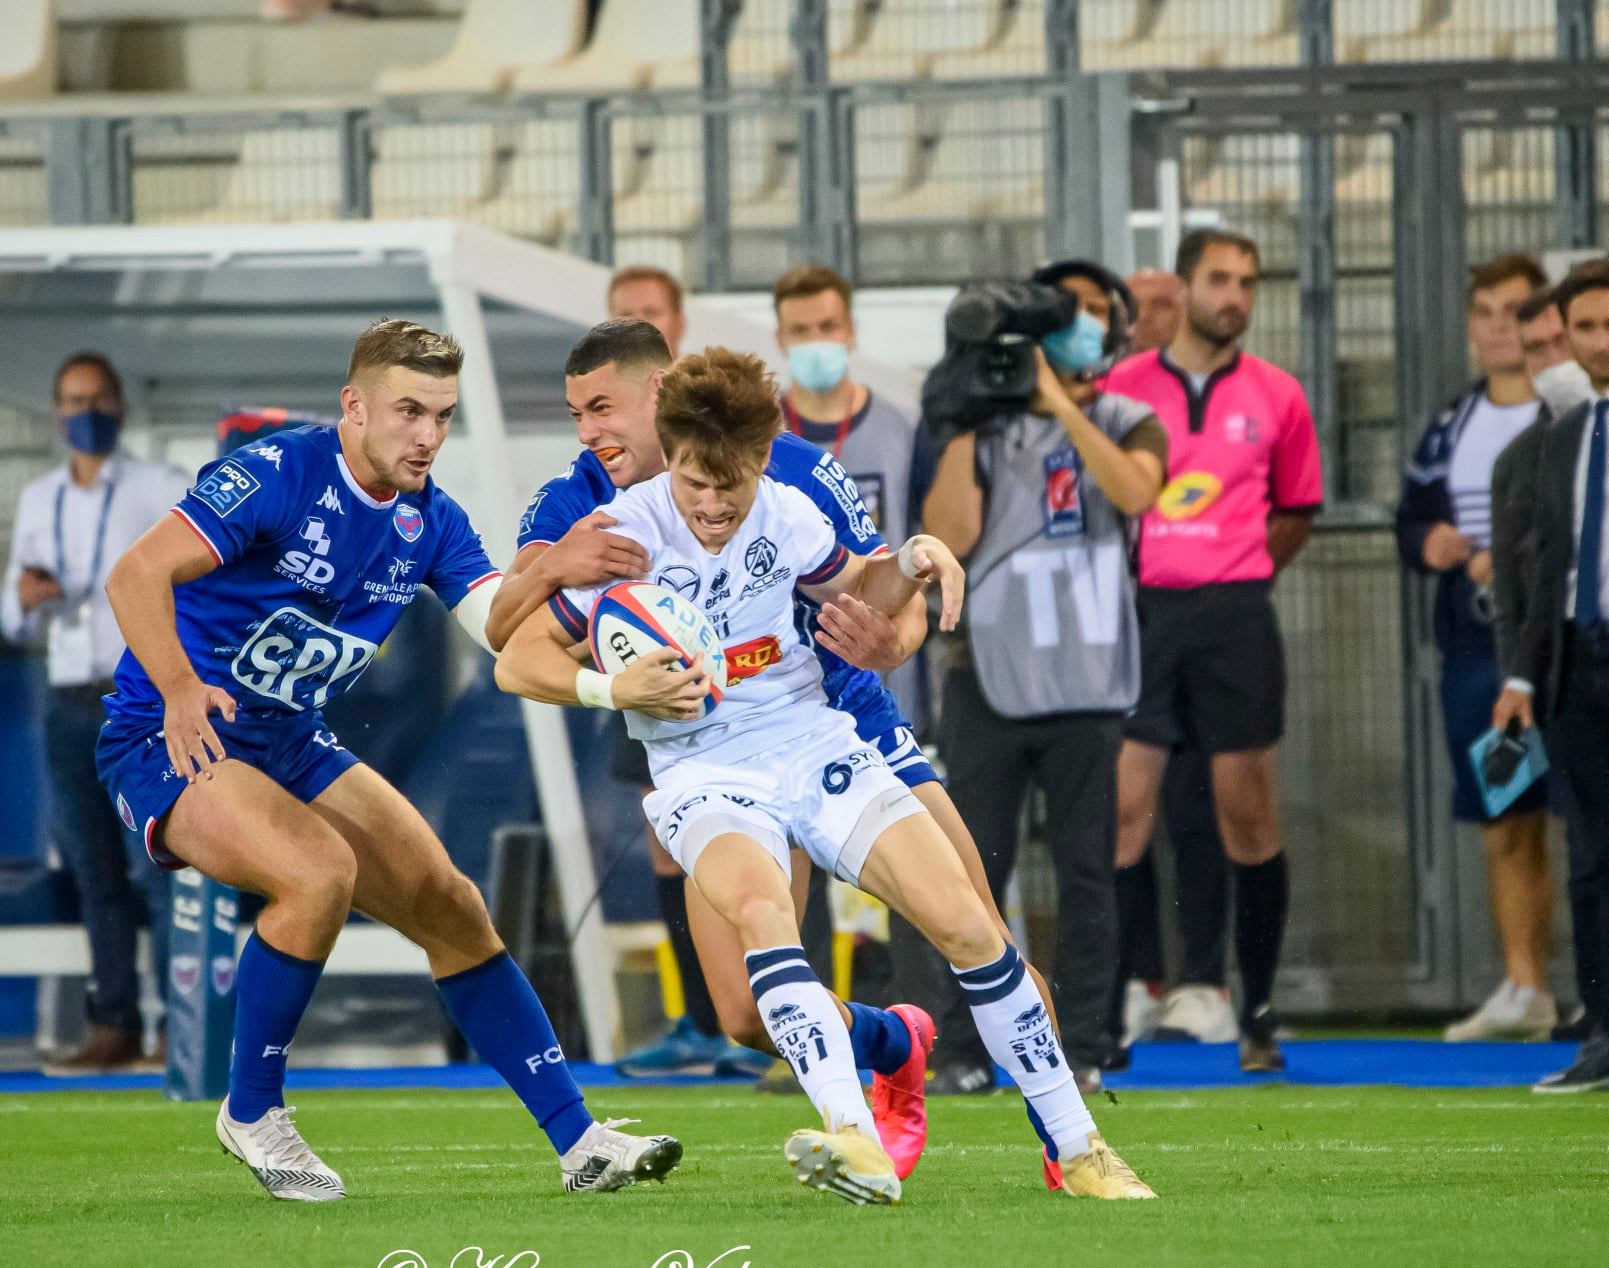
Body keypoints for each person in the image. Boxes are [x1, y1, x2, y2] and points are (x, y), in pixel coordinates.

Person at [496, 348, 1154, 1202]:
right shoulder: (622, 532)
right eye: (694, 481)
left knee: (966, 922)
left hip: (818, 742)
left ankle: (1079, 1148)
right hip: (704, 770)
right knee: (765, 925)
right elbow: (515, 657)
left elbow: (871, 590)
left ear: (761, 459)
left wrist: (918, 557)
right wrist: (611, 686)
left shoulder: (793, 506)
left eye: (727, 484)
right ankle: (855, 1135)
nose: (709, 503)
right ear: (672, 448)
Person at [98, 319, 680, 1199]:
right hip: (176, 732)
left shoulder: (429, 520)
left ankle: (580, 1140)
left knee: (451, 905)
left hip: (288, 738)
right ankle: (252, 1110)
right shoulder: (277, 473)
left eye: (442, 416)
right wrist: (179, 687)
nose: (426, 435)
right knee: (316, 871)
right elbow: (134, 575)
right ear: (354, 404)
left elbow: (492, 626)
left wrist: (553, 567)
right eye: (408, 411)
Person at [914, 260, 1166, 1095]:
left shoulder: (1133, 417)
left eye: (1095, 315)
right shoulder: (981, 429)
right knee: (968, 866)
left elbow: (1134, 493)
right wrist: (959, 420)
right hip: (987, 673)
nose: (1079, 329)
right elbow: (951, 534)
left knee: (1087, 869)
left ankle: (1086, 1043)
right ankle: (960, 1049)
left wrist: (1059, 404)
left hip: (1087, 679)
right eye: (1067, 315)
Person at [1101, 228, 1324, 1073]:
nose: (1234, 295)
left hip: (1235, 618)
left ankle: (1257, 1011)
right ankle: (1115, 1008)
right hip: (1140, 615)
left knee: (1248, 814)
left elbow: (1297, 508)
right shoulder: (1122, 388)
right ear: (1184, 287)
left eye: (1247, 281)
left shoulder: (1279, 395)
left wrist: (1236, 567)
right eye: (1219, 279)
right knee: (1122, 815)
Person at [0, 352, 186, 1075]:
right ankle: (113, 1022)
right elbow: (11, 612)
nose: (86, 412)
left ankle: (177, 1022)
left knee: (158, 865)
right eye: (73, 401)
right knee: (92, 871)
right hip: (67, 698)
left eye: (98, 398)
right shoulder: (36, 498)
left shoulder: (158, 488)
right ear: (55, 413)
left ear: (121, 407)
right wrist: (28, 597)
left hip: (136, 697)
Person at [589, 267, 755, 1077]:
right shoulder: (598, 470)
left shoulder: (747, 442)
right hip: (653, 674)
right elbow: (520, 619)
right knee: (668, 842)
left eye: (648, 313)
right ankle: (698, 1020)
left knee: (782, 849)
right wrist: (553, 568)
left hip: (768, 693)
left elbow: (848, 557)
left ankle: (779, 1023)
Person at [1396, 253, 1558, 1041]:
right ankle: (1527, 986)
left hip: (1564, 648)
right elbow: (1408, 519)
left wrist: (1517, 553)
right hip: (1480, 652)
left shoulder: (1568, 415)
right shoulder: (1449, 423)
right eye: (1486, 310)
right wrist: (1428, 540)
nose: (1501, 326)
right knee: (1508, 816)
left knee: (1583, 818)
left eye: (1517, 310)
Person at [1491, 263, 1609, 1094]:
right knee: (1591, 861)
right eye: (1586, 329)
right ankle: (1602, 1034)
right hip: (1577, 661)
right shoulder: (1563, 437)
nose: (1598, 343)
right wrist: (1524, 678)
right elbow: (1548, 571)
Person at [772, 264, 925, 716]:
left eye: (827, 327)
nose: (815, 341)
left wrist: (902, 642)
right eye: (800, 330)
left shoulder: (901, 428)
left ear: (851, 331)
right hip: (786, 676)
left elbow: (918, 548)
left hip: (884, 667)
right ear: (780, 339)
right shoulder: (757, 439)